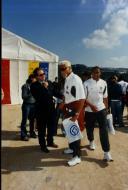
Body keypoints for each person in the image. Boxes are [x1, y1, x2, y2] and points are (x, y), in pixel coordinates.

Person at [83, 66, 113, 161]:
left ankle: (106, 152)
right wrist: (91, 106)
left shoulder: (103, 83)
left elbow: (105, 97)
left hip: (101, 109)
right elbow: (83, 99)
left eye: (98, 72)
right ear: (91, 73)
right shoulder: (86, 83)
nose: (97, 74)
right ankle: (91, 141)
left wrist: (107, 109)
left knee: (103, 130)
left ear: (100, 73)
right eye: (95, 72)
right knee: (89, 128)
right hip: (89, 110)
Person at [59, 60, 86, 166]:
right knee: (69, 131)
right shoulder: (67, 79)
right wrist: (63, 102)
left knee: (74, 133)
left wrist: (76, 114)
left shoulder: (75, 79)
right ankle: (71, 148)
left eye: (63, 68)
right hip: (68, 108)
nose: (61, 71)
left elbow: (82, 99)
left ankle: (77, 157)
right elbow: (67, 94)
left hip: (75, 109)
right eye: (60, 69)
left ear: (70, 68)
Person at [30, 67, 61, 153]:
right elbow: (39, 97)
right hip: (41, 111)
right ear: (36, 76)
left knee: (51, 128)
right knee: (41, 130)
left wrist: (62, 96)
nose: (43, 76)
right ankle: (43, 145)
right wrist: (44, 87)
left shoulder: (49, 82)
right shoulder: (34, 86)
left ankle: (50, 142)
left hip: (51, 110)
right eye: (41, 74)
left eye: (44, 74)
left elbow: (54, 92)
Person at [20, 74, 37, 141]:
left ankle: (32, 133)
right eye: (34, 78)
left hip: (33, 105)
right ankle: (23, 135)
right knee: (24, 120)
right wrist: (31, 93)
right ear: (31, 78)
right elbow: (23, 96)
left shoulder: (34, 86)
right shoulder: (25, 86)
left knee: (32, 120)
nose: (35, 79)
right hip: (26, 105)